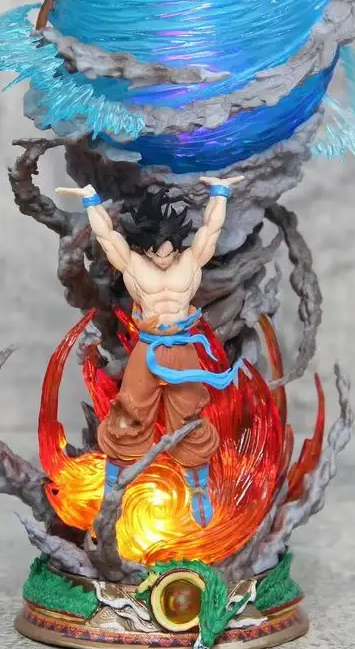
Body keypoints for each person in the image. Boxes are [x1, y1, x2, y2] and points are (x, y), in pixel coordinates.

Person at [55, 176, 244, 527]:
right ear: (146, 248)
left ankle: (198, 488)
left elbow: (210, 231)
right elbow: (107, 237)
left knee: (189, 417)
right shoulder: (135, 266)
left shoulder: (190, 263)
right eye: (157, 252)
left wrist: (219, 192)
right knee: (129, 413)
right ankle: (113, 490)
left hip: (182, 348)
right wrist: (91, 201)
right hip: (149, 349)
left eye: (170, 250)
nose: (164, 257)